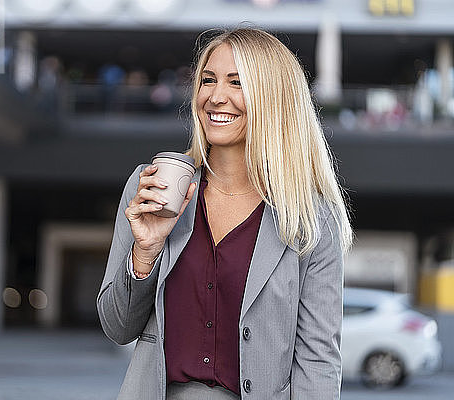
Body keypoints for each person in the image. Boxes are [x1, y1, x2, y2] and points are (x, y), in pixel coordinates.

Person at [97, 27, 353, 400]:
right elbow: (118, 328)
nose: (217, 97)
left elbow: (318, 362)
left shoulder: (312, 218)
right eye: (208, 80)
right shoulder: (154, 186)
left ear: (273, 97)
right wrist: (145, 253)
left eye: (237, 83)